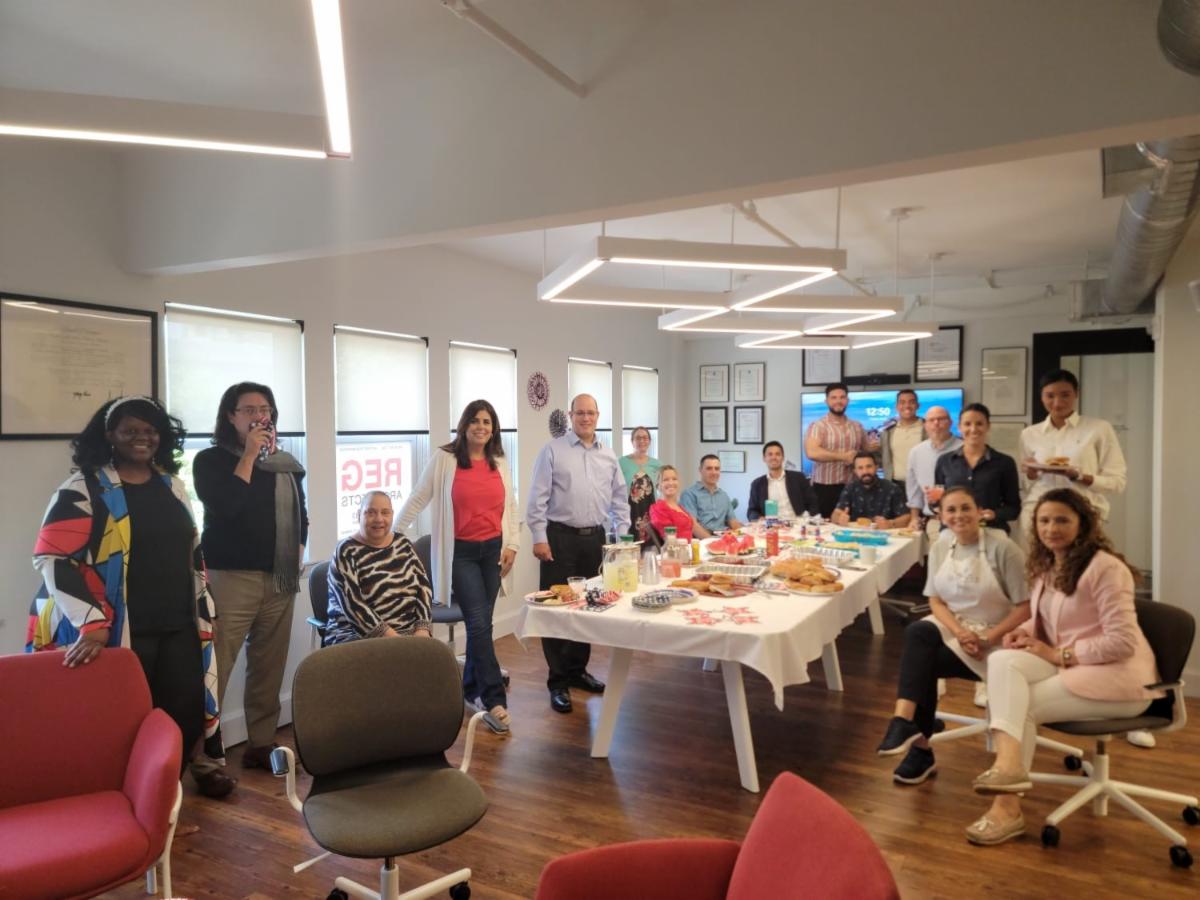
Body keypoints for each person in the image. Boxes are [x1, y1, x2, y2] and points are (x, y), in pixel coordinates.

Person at [30, 396, 232, 798]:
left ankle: (162, 808)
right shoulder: (84, 488)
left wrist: (205, 604)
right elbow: (53, 558)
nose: (143, 437)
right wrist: (92, 622)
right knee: (124, 724)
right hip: (122, 629)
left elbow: (191, 552)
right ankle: (125, 810)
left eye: (151, 430)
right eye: (131, 430)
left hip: (178, 624)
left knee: (184, 717)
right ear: (110, 435)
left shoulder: (171, 485)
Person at [964, 489, 1161, 846]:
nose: (1051, 528)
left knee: (1020, 705)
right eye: (1044, 520)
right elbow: (1048, 619)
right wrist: (1023, 633)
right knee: (1002, 659)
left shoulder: (1105, 568)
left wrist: (1058, 656)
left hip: (1120, 679)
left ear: (1082, 524)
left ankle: (1006, 807)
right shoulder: (1048, 565)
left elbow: (1122, 642)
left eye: (1061, 520)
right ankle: (1009, 767)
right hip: (1077, 667)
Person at [875, 486, 1029, 786]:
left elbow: (1026, 607)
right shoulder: (942, 546)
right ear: (942, 517)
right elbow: (935, 600)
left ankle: (919, 748)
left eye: (965, 508)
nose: (959, 516)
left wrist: (988, 637)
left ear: (980, 511)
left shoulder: (1004, 549)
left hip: (1000, 635)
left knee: (923, 662)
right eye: (951, 510)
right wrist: (959, 632)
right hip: (956, 625)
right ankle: (903, 722)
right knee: (918, 631)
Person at [192, 382, 308, 771]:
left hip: (279, 578)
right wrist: (248, 456)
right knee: (216, 666)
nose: (260, 416)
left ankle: (261, 743)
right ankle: (203, 757)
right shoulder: (210, 461)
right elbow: (225, 507)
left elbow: (301, 514)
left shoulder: (285, 463)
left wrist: (299, 548)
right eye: (250, 410)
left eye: (266, 409)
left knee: (268, 665)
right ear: (231, 416)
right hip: (230, 578)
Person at [394, 399, 520, 734]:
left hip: (493, 551)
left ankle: (469, 689)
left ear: (494, 429)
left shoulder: (499, 461)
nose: (481, 427)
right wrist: (394, 533)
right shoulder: (445, 459)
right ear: (464, 425)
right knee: (478, 624)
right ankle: (494, 700)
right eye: (475, 420)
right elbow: (419, 497)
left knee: (482, 624)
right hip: (461, 554)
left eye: (487, 422)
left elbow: (511, 505)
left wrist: (513, 544)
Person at [527, 393, 630, 714]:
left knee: (588, 607)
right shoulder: (552, 451)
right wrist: (539, 537)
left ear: (598, 416)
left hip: (595, 540)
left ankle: (577, 671)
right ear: (571, 416)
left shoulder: (608, 455)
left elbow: (620, 498)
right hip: (559, 539)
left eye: (591, 413)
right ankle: (558, 681)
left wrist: (621, 538)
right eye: (580, 413)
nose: (586, 418)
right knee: (557, 609)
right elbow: (537, 497)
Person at [326, 491, 433, 645]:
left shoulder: (402, 543)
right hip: (357, 636)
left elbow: (423, 588)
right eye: (371, 512)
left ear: (392, 515)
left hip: (407, 633)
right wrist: (396, 641)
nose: (379, 519)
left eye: (385, 512)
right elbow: (354, 608)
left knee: (437, 657)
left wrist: (422, 629)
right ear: (358, 515)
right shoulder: (346, 551)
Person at [934, 403, 1021, 533]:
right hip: (953, 531)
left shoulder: (1005, 463)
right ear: (959, 427)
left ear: (988, 426)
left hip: (991, 530)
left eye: (979, 424)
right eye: (967, 424)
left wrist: (994, 514)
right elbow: (937, 502)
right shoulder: (944, 461)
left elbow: (1013, 508)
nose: (973, 429)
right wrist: (934, 502)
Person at [804, 383, 871, 518]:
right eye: (833, 398)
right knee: (825, 527)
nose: (838, 401)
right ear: (826, 401)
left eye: (842, 397)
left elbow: (866, 451)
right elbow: (812, 452)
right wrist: (843, 457)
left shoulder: (857, 426)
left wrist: (875, 447)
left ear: (847, 400)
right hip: (825, 488)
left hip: (853, 487)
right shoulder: (818, 426)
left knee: (853, 525)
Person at [905, 405, 962, 526]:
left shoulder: (964, 449)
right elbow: (914, 491)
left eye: (941, 419)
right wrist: (914, 518)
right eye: (931, 420)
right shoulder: (916, 452)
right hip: (933, 521)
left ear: (950, 422)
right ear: (925, 425)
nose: (936, 423)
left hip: (962, 520)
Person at [831, 452, 910, 528]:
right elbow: (835, 515)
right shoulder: (850, 488)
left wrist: (891, 524)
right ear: (855, 471)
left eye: (869, 466)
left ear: (876, 467)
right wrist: (839, 518)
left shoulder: (892, 488)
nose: (865, 471)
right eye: (860, 468)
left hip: (884, 533)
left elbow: (907, 517)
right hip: (855, 534)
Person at [746, 441, 819, 521]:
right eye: (770, 454)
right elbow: (751, 511)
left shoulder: (798, 478)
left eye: (777, 454)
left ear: (783, 457)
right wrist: (759, 518)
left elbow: (813, 502)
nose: (774, 457)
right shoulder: (757, 484)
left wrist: (809, 519)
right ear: (764, 458)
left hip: (798, 524)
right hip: (773, 526)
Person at [679, 454, 742, 537]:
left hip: (723, 538)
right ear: (700, 470)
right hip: (701, 540)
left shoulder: (723, 495)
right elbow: (693, 525)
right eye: (709, 468)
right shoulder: (689, 494)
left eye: (717, 469)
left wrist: (746, 533)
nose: (714, 472)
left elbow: (733, 523)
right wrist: (711, 540)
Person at [619, 426, 661, 542]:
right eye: (638, 438)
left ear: (649, 441)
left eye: (645, 438)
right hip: (628, 513)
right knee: (629, 546)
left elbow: (662, 488)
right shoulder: (621, 462)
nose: (642, 441)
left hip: (651, 514)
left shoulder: (657, 464)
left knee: (650, 547)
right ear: (632, 441)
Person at [879, 389, 926, 493]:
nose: (907, 406)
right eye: (902, 402)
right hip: (894, 486)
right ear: (897, 406)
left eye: (911, 402)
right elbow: (882, 457)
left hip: (922, 486)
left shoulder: (928, 428)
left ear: (918, 405)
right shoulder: (887, 432)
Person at [648, 465, 695, 540]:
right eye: (666, 480)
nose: (671, 483)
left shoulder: (680, 507)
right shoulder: (658, 509)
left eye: (674, 479)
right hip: (677, 547)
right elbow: (670, 541)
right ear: (658, 486)